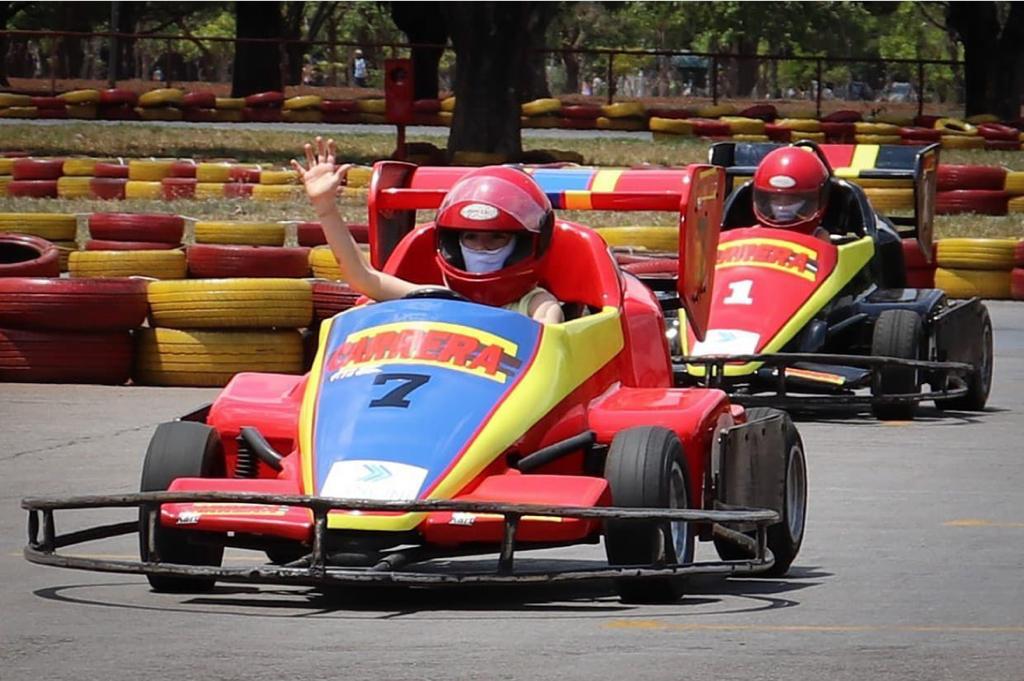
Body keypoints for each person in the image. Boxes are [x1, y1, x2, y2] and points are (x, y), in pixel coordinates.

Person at [291, 137, 564, 323]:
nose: (481, 247)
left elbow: (550, 331)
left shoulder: (535, 304)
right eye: (471, 237)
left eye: (496, 238)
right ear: (452, 245)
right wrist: (325, 208)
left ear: (526, 245)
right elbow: (362, 277)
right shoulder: (436, 297)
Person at [750, 146, 832, 240]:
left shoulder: (819, 236)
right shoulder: (754, 233)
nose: (782, 207)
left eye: (792, 198)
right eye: (775, 198)